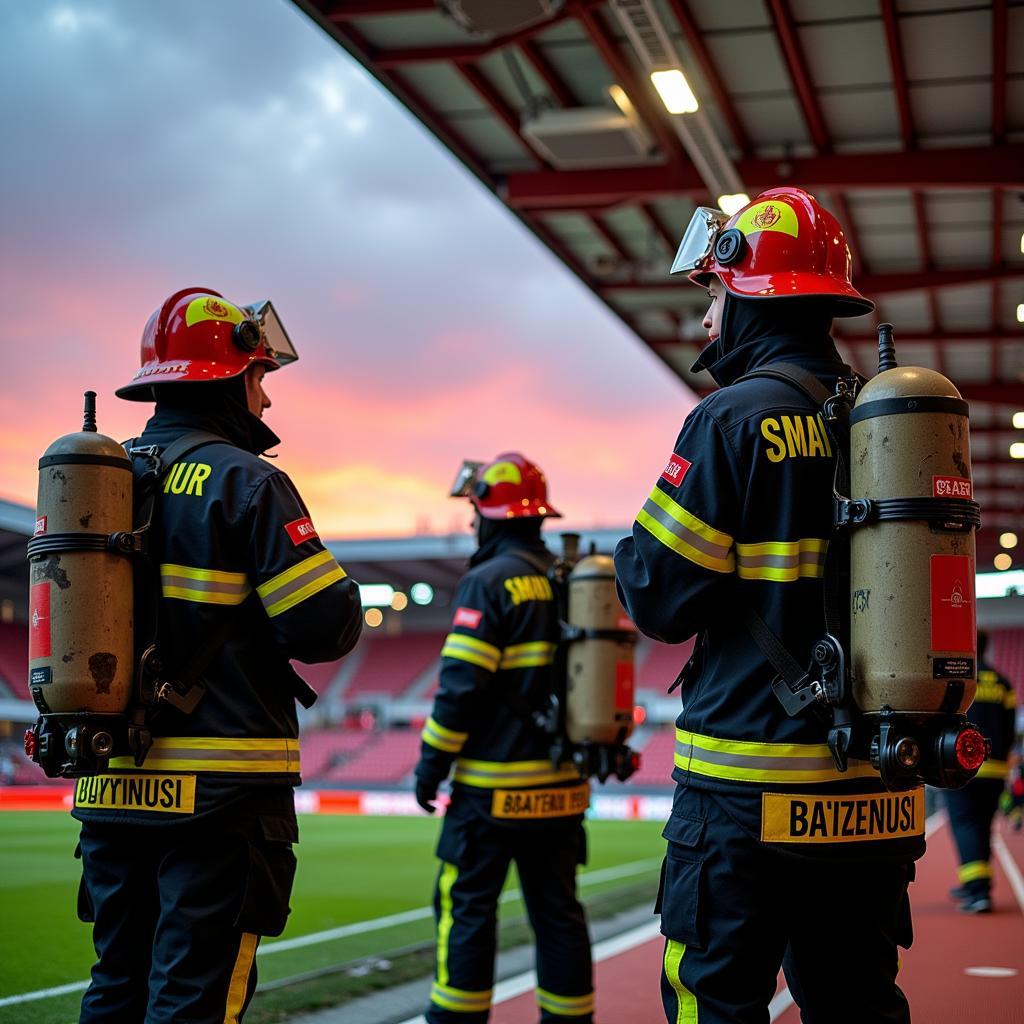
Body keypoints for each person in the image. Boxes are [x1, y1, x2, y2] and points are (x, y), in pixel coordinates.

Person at [614, 189, 923, 1024]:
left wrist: (626, 548)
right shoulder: (884, 418)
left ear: (750, 292)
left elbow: (659, 596)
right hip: (868, 789)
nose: (707, 321)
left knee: (717, 1003)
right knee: (858, 1003)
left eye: (713, 294)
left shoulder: (730, 420)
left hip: (744, 790)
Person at [73, 287, 363, 1023]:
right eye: (260, 378)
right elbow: (323, 629)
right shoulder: (248, 481)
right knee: (196, 998)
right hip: (223, 795)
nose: (266, 401)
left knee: (116, 986)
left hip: (109, 786)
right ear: (228, 376)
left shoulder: (100, 480)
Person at [413, 453, 594, 1023]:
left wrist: (429, 766)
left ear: (490, 514)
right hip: (562, 791)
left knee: (467, 914)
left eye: (476, 513)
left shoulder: (489, 581)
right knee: (559, 916)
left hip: (490, 794)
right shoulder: (570, 579)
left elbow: (461, 688)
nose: (473, 525)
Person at [944, 630, 1018, 912]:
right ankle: (974, 883)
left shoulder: (959, 679)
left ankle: (978, 891)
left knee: (964, 823)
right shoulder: (1004, 683)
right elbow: (1011, 728)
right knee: (982, 825)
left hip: (962, 767)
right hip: (996, 768)